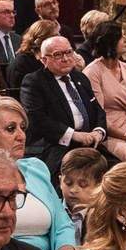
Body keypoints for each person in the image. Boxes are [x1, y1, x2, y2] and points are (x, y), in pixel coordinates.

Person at [0, 94, 78, 250]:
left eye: (22, 128)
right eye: (11, 129)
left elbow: (63, 225)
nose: (21, 136)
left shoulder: (36, 168)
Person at [21, 33, 108, 175]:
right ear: (44, 60)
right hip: (58, 146)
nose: (66, 59)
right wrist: (73, 135)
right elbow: (37, 119)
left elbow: (98, 110)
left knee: (118, 175)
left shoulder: (80, 77)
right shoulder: (34, 82)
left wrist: (99, 131)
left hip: (92, 145)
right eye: (57, 55)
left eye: (69, 52)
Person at [78, 19, 126, 163]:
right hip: (110, 134)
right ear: (109, 42)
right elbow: (98, 116)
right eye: (122, 37)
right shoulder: (92, 72)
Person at [57, 145, 108, 239]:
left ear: (100, 184)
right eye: (68, 183)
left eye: (83, 184)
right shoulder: (52, 211)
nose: (73, 190)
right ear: (60, 181)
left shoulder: (106, 216)